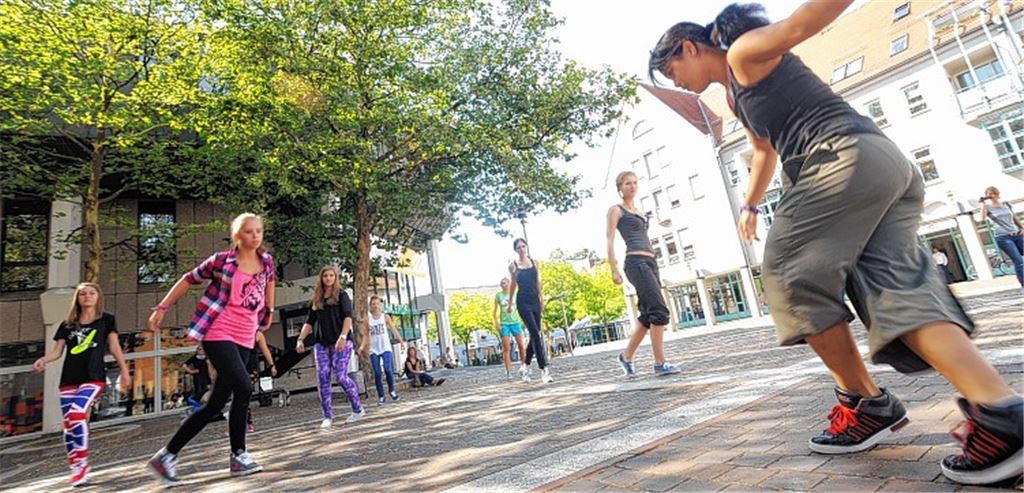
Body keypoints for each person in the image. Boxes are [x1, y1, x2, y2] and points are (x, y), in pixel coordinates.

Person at [648, 2, 1021, 484]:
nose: (673, 80)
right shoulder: (737, 94)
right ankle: (1002, 414)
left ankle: (865, 404)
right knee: (897, 291)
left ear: (690, 47)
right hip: (883, 163)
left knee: (786, 273)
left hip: (839, 160)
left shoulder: (742, 52)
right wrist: (751, 205)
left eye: (670, 69)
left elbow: (802, 24)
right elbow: (763, 149)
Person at [146, 213, 275, 485]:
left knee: (215, 404)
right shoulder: (221, 261)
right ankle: (239, 454)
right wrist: (162, 308)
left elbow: (269, 283)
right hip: (218, 330)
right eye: (249, 231)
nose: (255, 236)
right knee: (244, 388)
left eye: (259, 231)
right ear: (238, 235)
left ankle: (166, 455)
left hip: (245, 335)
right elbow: (188, 278)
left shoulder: (266, 262)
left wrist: (269, 312)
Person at [32, 282, 131, 487]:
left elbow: (114, 347)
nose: (87, 296)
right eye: (83, 294)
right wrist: (43, 360)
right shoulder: (67, 325)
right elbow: (57, 352)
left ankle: (83, 463)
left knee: (76, 415)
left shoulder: (106, 320)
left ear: (98, 296)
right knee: (69, 425)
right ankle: (75, 466)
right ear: (77, 298)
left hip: (93, 377)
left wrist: (124, 371)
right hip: (68, 381)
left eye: (92, 293)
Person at [605, 171, 682, 378]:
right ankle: (660, 363)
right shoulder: (616, 210)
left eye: (634, 182)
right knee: (659, 311)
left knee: (648, 316)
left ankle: (626, 357)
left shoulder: (639, 211)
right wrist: (613, 268)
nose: (632, 186)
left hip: (650, 261)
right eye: (627, 183)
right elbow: (609, 240)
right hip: (636, 262)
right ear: (620, 187)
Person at [296, 266, 365, 429]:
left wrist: (342, 336)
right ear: (321, 279)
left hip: (342, 341)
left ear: (335, 278)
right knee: (323, 378)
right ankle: (327, 416)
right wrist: (300, 339)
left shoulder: (342, 295)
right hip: (322, 344)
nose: (328, 278)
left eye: (331, 275)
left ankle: (358, 409)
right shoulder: (317, 300)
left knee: (341, 376)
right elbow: (309, 322)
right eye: (325, 276)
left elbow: (348, 317)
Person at [506, 238, 554, 384]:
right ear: (515, 250)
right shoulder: (513, 265)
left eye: (523, 246)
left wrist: (541, 298)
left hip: (535, 300)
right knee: (534, 333)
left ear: (527, 247)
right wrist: (509, 302)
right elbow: (513, 284)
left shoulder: (535, 262)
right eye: (518, 247)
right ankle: (544, 369)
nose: (521, 249)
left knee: (535, 335)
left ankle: (525, 366)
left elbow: (537, 281)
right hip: (523, 301)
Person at [980, 186, 1023, 287]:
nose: (991, 196)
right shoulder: (987, 208)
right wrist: (982, 204)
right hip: (1003, 237)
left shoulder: (1006, 204)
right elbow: (982, 218)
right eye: (989, 194)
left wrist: (1022, 228)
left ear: (997, 194)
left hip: (1017, 234)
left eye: (993, 193)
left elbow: (1014, 217)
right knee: (1019, 261)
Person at [367, 295, 405, 405]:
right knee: (377, 372)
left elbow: (393, 330)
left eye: (377, 303)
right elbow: (365, 334)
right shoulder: (368, 318)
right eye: (373, 304)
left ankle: (392, 391)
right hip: (373, 348)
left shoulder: (385, 317)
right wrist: (362, 347)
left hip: (385, 347)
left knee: (388, 369)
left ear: (380, 305)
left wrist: (401, 342)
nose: (375, 306)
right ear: (370, 305)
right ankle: (381, 396)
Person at [493, 277, 528, 380]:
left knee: (521, 346)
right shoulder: (498, 296)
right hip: (504, 324)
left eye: (506, 283)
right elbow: (494, 312)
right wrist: (496, 324)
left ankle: (523, 367)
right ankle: (508, 371)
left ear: (509, 284)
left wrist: (524, 319)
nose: (505, 285)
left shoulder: (515, 294)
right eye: (502, 283)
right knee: (506, 348)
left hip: (516, 322)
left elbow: (521, 307)